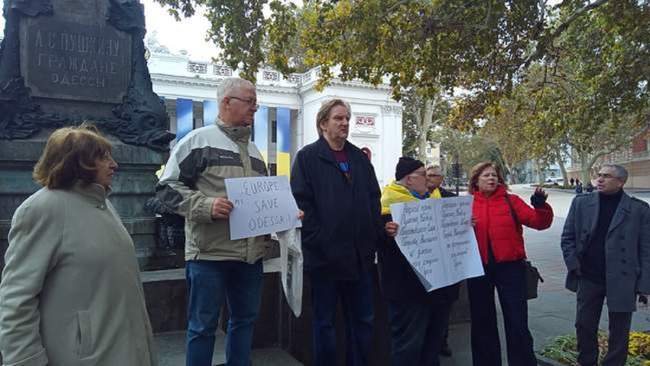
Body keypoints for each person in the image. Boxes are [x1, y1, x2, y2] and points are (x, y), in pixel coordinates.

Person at [0, 124, 156, 366]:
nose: (114, 165)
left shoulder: (102, 203)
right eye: (103, 158)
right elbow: (17, 299)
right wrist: (25, 360)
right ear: (78, 162)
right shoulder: (41, 210)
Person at [156, 77, 270, 366]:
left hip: (250, 257)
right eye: (250, 101)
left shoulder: (255, 152)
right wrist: (206, 206)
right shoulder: (198, 141)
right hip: (209, 255)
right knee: (202, 328)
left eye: (256, 102)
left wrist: (284, 216)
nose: (255, 108)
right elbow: (167, 189)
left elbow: (265, 201)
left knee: (244, 322)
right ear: (226, 102)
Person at [291, 98, 383, 366]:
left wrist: (372, 237)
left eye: (346, 119)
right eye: (338, 119)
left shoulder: (359, 158)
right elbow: (301, 204)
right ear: (323, 124)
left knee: (363, 322)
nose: (344, 123)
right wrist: (321, 242)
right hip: (325, 261)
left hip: (360, 260)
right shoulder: (307, 158)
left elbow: (373, 198)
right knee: (325, 324)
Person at [561, 164, 650, 366]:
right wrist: (573, 264)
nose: (600, 180)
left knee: (619, 330)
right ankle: (587, 362)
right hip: (589, 275)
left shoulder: (639, 209)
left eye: (606, 176)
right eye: (598, 175)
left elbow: (646, 250)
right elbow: (568, 238)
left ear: (621, 182)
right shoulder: (581, 203)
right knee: (584, 324)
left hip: (623, 277)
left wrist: (644, 286)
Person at [467, 162, 553, 366]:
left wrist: (540, 206)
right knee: (482, 321)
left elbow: (539, 223)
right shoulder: (466, 204)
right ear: (476, 181)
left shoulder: (511, 201)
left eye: (494, 175)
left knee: (517, 321)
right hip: (477, 269)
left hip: (511, 268)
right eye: (486, 175)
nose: (491, 178)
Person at [380, 158, 460, 366]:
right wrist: (385, 233)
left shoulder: (437, 199)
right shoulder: (386, 205)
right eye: (423, 174)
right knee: (408, 345)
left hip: (438, 287)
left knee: (432, 344)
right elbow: (371, 239)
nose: (429, 179)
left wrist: (464, 224)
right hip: (408, 291)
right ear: (408, 180)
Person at [426, 165, 457, 357]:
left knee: (445, 307)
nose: (428, 178)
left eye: (433, 175)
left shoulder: (450, 199)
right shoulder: (415, 197)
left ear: (441, 179)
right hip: (428, 260)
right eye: (426, 175)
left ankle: (442, 341)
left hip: (446, 262)